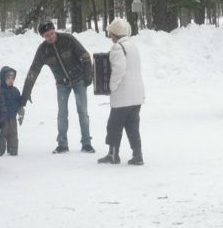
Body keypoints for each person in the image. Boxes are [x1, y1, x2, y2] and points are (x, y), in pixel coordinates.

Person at [19, 21, 94, 154]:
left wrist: (88, 76)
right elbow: (33, 72)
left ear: (54, 30)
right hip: (62, 84)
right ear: (43, 36)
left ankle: (86, 143)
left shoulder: (68, 39)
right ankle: (62, 144)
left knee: (82, 111)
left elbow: (85, 56)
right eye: (47, 35)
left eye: (52, 33)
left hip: (79, 80)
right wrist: (26, 94)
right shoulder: (43, 50)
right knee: (62, 113)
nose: (51, 37)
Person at [98, 17, 146, 165]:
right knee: (132, 126)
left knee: (114, 125)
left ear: (115, 34)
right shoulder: (132, 46)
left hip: (123, 95)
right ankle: (137, 155)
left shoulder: (118, 48)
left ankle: (113, 154)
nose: (110, 36)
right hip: (136, 95)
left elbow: (119, 70)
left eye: (111, 33)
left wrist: (111, 87)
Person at [0, 66, 22, 156]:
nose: (10, 80)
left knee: (13, 134)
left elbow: (19, 102)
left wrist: (21, 110)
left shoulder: (15, 91)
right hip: (2, 118)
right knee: (2, 134)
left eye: (12, 78)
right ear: (2, 78)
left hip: (12, 117)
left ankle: (13, 149)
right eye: (8, 78)